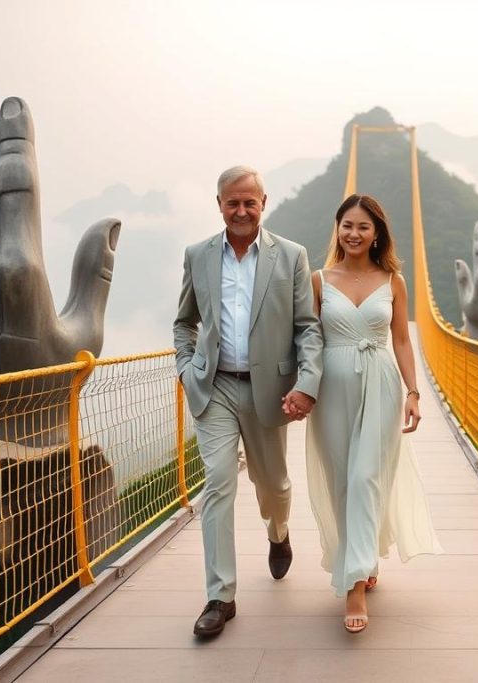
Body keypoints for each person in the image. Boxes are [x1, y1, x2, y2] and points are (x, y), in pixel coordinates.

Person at [173, 166, 323, 639]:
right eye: (232, 202)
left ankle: (278, 533)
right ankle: (221, 596)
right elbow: (184, 322)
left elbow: (307, 327)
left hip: (271, 391)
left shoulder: (292, 256)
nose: (241, 211)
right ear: (219, 204)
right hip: (213, 386)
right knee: (217, 483)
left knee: (273, 484)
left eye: (249, 202)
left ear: (263, 202)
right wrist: (185, 368)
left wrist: (307, 383)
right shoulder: (197, 255)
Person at [306, 194, 442, 634]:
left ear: (377, 232)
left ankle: (354, 587)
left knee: (367, 477)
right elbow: (307, 342)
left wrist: (414, 392)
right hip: (330, 391)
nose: (354, 233)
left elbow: (402, 340)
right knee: (343, 480)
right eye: (347, 224)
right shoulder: (318, 280)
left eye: (364, 226)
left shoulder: (394, 280)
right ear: (337, 228)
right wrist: (297, 390)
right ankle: (362, 559)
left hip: (381, 384)